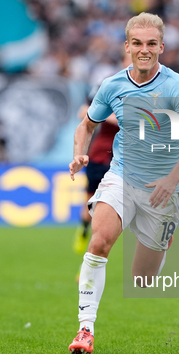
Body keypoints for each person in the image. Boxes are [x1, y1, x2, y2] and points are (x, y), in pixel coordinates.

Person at [67, 12, 179, 354]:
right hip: (122, 175)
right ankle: (85, 330)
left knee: (142, 280)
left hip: (163, 188)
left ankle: (163, 239)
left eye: (151, 44)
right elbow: (86, 124)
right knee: (98, 242)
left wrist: (172, 181)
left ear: (162, 47)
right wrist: (79, 153)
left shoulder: (177, 87)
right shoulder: (112, 85)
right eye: (138, 44)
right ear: (127, 46)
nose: (144, 50)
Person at [72, 96, 120, 255]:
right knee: (90, 203)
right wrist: (110, 117)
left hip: (123, 163)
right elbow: (83, 112)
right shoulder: (110, 89)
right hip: (100, 158)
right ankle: (84, 230)